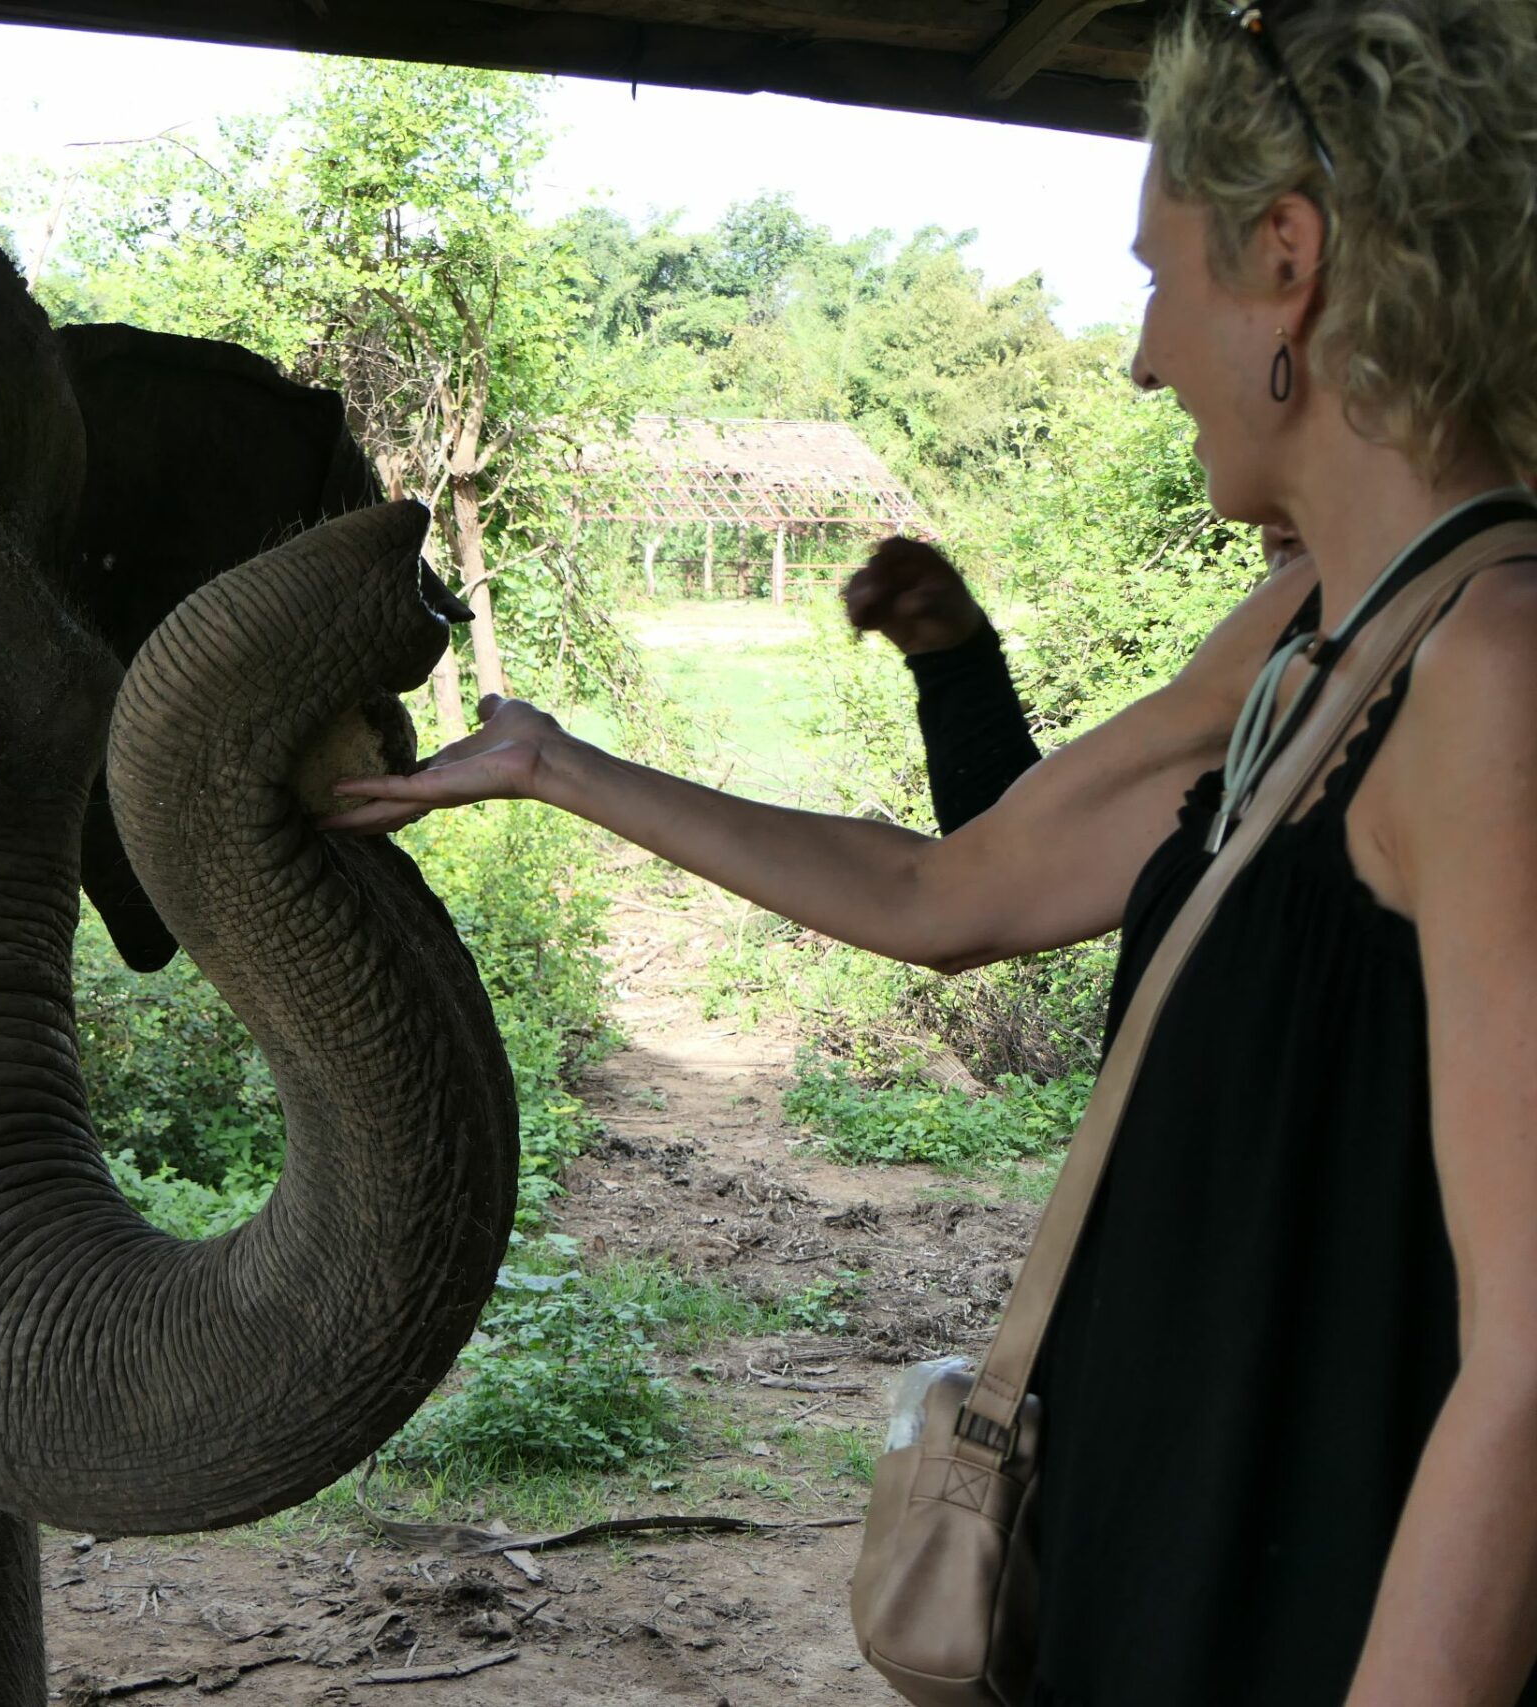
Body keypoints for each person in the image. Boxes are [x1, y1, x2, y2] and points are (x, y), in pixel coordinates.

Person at [327, 0, 1537, 1698]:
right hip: (1160, 1586)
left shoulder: (1495, 675)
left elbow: (1529, 1364)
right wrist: (554, 765)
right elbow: (945, 889)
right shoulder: (1311, 641)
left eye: (1156, 276)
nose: (1144, 355)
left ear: (1288, 257)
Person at [849, 525, 1314, 833]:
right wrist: (954, 658)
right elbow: (1003, 854)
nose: (1272, 529)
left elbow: (995, 877)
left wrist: (956, 660)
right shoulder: (1283, 704)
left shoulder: (1289, 695)